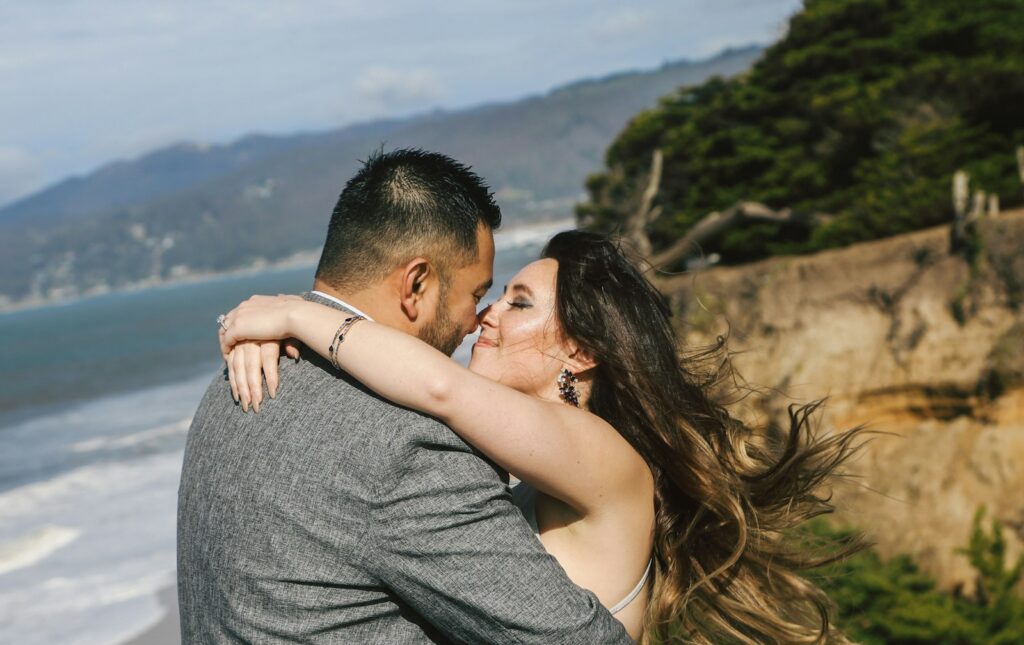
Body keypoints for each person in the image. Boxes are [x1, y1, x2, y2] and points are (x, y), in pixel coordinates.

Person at [220, 229, 867, 643]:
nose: (487, 315)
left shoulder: (599, 449)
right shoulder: (543, 463)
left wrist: (295, 314)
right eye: (498, 295)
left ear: (580, 350)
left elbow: (437, 388)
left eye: (519, 303)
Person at [177, 148, 633, 644]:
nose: (477, 321)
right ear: (416, 284)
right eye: (477, 295)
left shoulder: (229, 383)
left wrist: (295, 314)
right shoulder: (407, 445)